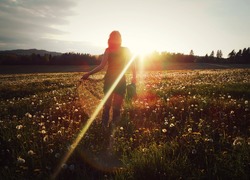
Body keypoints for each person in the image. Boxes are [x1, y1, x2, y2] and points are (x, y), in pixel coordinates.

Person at [81, 31, 136, 127]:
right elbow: (101, 66)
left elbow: (132, 64)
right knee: (107, 106)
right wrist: (88, 74)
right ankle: (104, 126)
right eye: (114, 37)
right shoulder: (108, 50)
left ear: (120, 39)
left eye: (118, 37)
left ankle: (113, 127)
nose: (116, 39)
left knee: (117, 107)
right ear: (110, 39)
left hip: (120, 81)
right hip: (109, 80)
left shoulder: (126, 50)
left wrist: (134, 77)